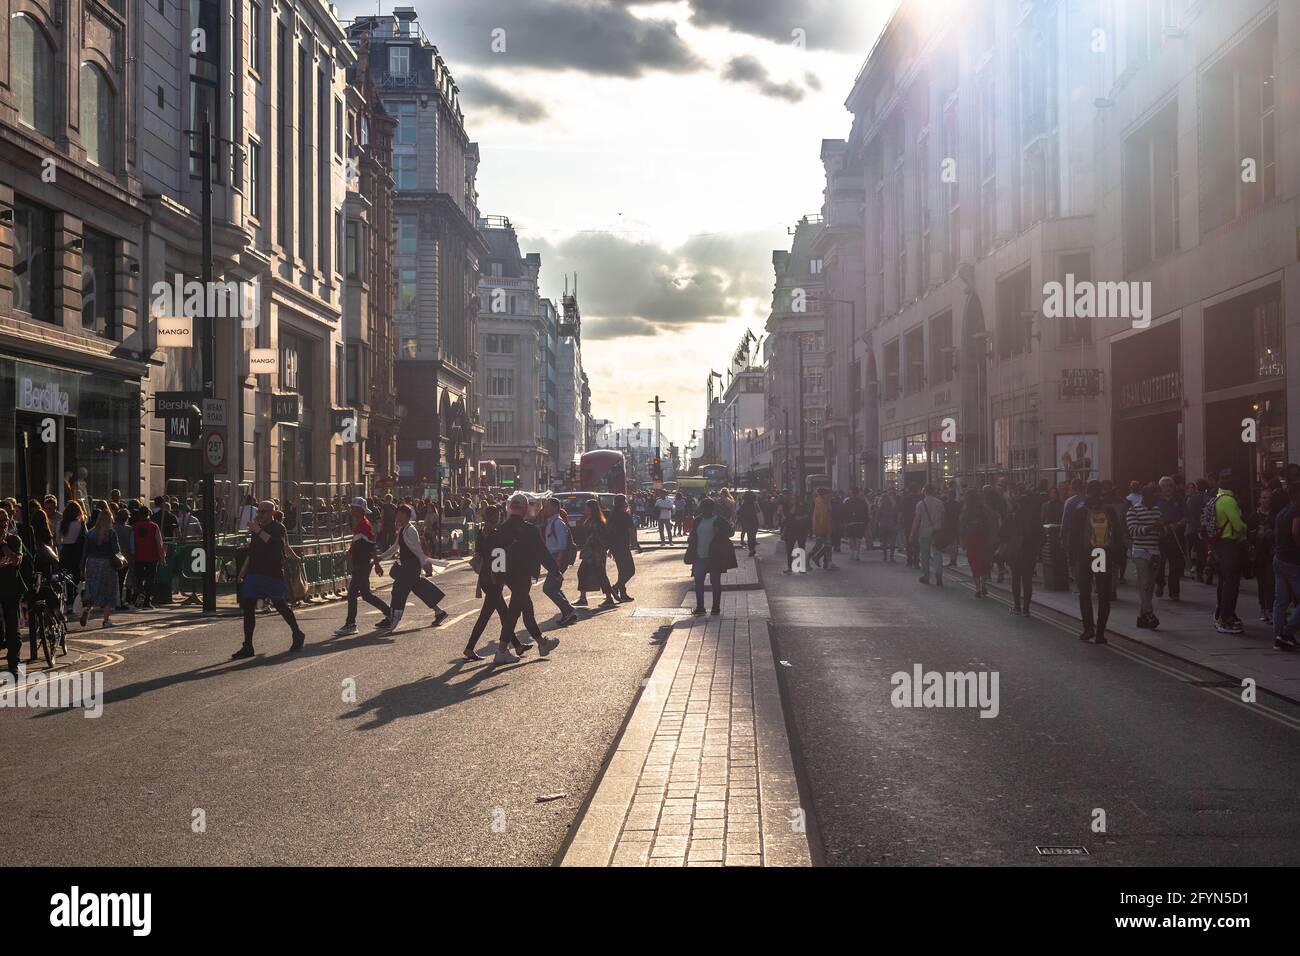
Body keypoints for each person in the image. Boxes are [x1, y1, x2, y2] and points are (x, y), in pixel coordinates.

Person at [230, 501, 306, 659]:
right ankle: (248, 645)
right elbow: (252, 551)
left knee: (280, 606)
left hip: (272, 574)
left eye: (263, 512)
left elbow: (276, 545)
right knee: (248, 606)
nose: (260, 515)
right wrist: (243, 571)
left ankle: (297, 633)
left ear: (272, 512)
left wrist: (258, 530)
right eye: (259, 511)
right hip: (254, 573)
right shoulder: (257, 528)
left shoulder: (279, 528)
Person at [491, 493, 562, 664]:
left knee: (526, 608)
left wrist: (498, 576)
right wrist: (555, 571)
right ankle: (501, 651)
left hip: (507, 575)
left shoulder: (501, 529)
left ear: (510, 508)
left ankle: (542, 643)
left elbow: (496, 554)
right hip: (523, 575)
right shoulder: (530, 530)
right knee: (514, 612)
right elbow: (542, 553)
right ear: (524, 509)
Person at [1065, 480, 1127, 644]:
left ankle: (1088, 629)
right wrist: (1119, 558)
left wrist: (1071, 558)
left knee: (1084, 593)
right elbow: (1118, 534)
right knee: (1103, 594)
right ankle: (1100, 633)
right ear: (1101, 492)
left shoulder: (1080, 510)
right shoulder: (1109, 510)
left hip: (1085, 554)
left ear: (1087, 491)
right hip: (1101, 553)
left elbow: (1073, 536)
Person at [465, 505, 527, 660]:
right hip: (494, 578)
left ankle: (517, 645)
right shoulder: (497, 535)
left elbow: (478, 556)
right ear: (497, 517)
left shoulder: (481, 533)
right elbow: (500, 558)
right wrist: (502, 579)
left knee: (504, 614)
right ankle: (470, 648)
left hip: (485, 578)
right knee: (485, 616)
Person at [377, 503, 448, 630]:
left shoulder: (410, 530)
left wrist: (425, 563)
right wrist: (381, 557)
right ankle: (439, 612)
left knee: (399, 589)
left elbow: (417, 549)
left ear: (406, 516)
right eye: (397, 513)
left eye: (400, 514)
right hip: (407, 565)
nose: (397, 516)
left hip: (411, 566)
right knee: (420, 589)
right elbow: (395, 547)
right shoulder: (403, 529)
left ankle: (393, 618)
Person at [333, 498, 393, 636]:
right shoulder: (360, 524)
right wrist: (342, 561)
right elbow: (354, 547)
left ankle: (350, 624)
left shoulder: (364, 526)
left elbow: (372, 546)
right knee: (366, 595)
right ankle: (390, 613)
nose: (351, 509)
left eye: (353, 507)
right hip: (360, 563)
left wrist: (377, 564)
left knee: (352, 594)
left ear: (360, 509)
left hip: (362, 564)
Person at [684, 498, 737, 616]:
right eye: (703, 509)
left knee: (715, 582)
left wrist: (719, 531)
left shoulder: (719, 520)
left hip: (714, 557)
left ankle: (715, 607)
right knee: (698, 581)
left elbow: (730, 532)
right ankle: (700, 607)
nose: (704, 512)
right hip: (699, 556)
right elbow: (694, 533)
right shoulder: (698, 520)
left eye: (707, 509)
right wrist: (691, 538)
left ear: (712, 509)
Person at [1211, 470, 1248, 635]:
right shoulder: (1229, 501)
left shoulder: (1218, 498)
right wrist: (1247, 528)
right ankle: (1226, 619)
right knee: (1231, 584)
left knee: (1224, 582)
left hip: (1219, 545)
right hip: (1230, 545)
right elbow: (1239, 526)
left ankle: (1222, 614)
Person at [78, 501, 122, 629]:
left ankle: (87, 608)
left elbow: (84, 552)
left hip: (92, 563)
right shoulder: (111, 533)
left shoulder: (90, 533)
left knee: (93, 588)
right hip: (107, 564)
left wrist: (82, 567)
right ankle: (106, 620)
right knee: (108, 591)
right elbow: (116, 550)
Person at [0, 509, 33, 678]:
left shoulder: (14, 540)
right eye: (0, 521)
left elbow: (15, 560)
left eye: (5, 520)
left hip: (11, 589)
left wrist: (3, 544)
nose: (3, 524)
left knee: (13, 628)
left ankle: (14, 663)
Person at [1126, 483, 1163, 630]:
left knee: (1150, 586)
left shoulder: (1157, 510)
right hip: (1140, 551)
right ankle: (1149, 613)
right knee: (1144, 583)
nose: (1156, 501)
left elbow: (1159, 532)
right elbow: (1133, 531)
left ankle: (1142, 619)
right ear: (1146, 497)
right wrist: (1151, 527)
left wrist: (1163, 529)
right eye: (1154, 497)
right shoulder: (1133, 510)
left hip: (1155, 551)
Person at [1270, 482, 1300, 651]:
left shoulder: (1282, 513)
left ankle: (1278, 637)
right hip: (1292, 561)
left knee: (1280, 601)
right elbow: (1296, 532)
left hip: (1279, 559)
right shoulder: (1297, 510)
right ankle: (1287, 633)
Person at [1006, 485, 1044, 616]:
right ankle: (1026, 609)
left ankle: (1017, 607)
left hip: (1015, 552)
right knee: (1027, 581)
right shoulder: (1035, 519)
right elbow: (1043, 537)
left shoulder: (1012, 517)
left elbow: (1003, 535)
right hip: (1030, 552)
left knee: (1016, 579)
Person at [541, 498, 578, 625]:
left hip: (558, 558)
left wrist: (557, 563)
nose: (545, 509)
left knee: (548, 588)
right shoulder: (550, 522)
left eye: (548, 507)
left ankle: (568, 610)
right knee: (555, 587)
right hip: (554, 558)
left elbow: (562, 545)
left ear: (556, 508)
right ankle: (568, 612)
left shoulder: (557, 523)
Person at [575, 499, 617, 608]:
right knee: (587, 573)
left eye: (587, 507)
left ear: (591, 508)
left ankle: (608, 597)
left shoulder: (597, 522)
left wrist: (604, 550)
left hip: (595, 553)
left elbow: (603, 538)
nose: (585, 509)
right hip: (591, 552)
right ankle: (584, 597)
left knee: (599, 574)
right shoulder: (591, 519)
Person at [960, 488, 998, 599]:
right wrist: (993, 538)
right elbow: (993, 522)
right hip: (984, 538)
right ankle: (984, 585)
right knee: (984, 562)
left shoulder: (966, 509)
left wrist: (962, 541)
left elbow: (961, 526)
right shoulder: (985, 508)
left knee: (974, 563)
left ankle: (977, 588)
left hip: (971, 539)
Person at [1154, 476, 1188, 602]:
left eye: (1170, 486)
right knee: (1159, 562)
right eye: (1164, 486)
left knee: (1175, 564)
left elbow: (1185, 517)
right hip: (1161, 535)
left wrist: (1177, 524)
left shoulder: (1179, 500)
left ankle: (1174, 591)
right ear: (1160, 488)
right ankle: (1160, 583)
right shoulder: (1156, 500)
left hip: (1176, 535)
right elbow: (1152, 516)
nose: (1167, 488)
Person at [1248, 488, 1276, 625]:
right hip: (1258, 553)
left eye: (1268, 498)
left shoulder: (1274, 516)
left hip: (1271, 553)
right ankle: (1263, 607)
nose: (1265, 500)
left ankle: (1269, 608)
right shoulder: (1254, 516)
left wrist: (1271, 533)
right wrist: (1256, 534)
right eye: (1263, 497)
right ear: (1259, 499)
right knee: (1261, 581)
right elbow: (1248, 534)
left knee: (1270, 581)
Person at [130, 507, 166, 610]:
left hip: (138, 556)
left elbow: (132, 543)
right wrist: (162, 557)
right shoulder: (154, 526)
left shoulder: (134, 526)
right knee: (150, 579)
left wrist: (132, 555)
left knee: (139, 578)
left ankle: (139, 595)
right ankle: (147, 601)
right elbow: (159, 543)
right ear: (149, 514)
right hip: (152, 556)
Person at [911, 484, 947, 586]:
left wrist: (912, 533)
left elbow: (916, 520)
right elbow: (943, 518)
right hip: (937, 532)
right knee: (937, 554)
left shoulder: (920, 504)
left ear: (925, 491)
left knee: (925, 555)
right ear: (934, 491)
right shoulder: (940, 503)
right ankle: (939, 575)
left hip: (924, 532)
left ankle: (926, 576)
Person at [58, 500, 87, 614]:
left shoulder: (61, 524)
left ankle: (69, 602)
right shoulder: (80, 523)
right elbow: (86, 538)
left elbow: (58, 541)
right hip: (77, 552)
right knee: (78, 578)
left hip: (65, 551)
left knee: (67, 579)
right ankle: (78, 601)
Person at [606, 494, 637, 601]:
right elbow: (631, 530)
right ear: (623, 503)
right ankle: (616, 587)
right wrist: (635, 543)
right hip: (623, 546)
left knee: (622, 570)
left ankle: (623, 594)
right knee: (630, 570)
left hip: (615, 546)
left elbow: (609, 532)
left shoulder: (612, 515)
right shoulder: (625, 515)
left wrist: (610, 547)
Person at [808, 487, 834, 570]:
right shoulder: (820, 503)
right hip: (821, 528)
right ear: (824, 494)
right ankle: (808, 560)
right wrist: (826, 529)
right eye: (828, 494)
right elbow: (822, 517)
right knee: (818, 546)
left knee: (828, 545)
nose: (830, 496)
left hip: (824, 528)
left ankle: (828, 563)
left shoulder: (824, 502)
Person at [842, 489, 869, 562]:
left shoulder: (847, 502)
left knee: (851, 538)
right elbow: (866, 512)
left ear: (851, 493)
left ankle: (852, 554)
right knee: (858, 539)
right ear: (858, 493)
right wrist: (866, 522)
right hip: (860, 522)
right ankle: (857, 554)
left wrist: (845, 522)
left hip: (850, 522)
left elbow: (844, 512)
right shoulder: (863, 502)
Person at [875, 491, 899, 562]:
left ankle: (885, 556)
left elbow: (877, 518)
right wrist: (896, 524)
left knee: (884, 541)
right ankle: (891, 556)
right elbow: (896, 516)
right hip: (892, 525)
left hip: (883, 525)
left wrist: (876, 526)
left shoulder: (881, 508)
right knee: (892, 542)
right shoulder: (893, 507)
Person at [737, 491, 760, 557]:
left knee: (750, 536)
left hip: (747, 522)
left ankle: (751, 550)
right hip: (754, 521)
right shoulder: (754, 504)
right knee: (753, 536)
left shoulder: (744, 504)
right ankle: (753, 549)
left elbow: (739, 513)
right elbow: (758, 511)